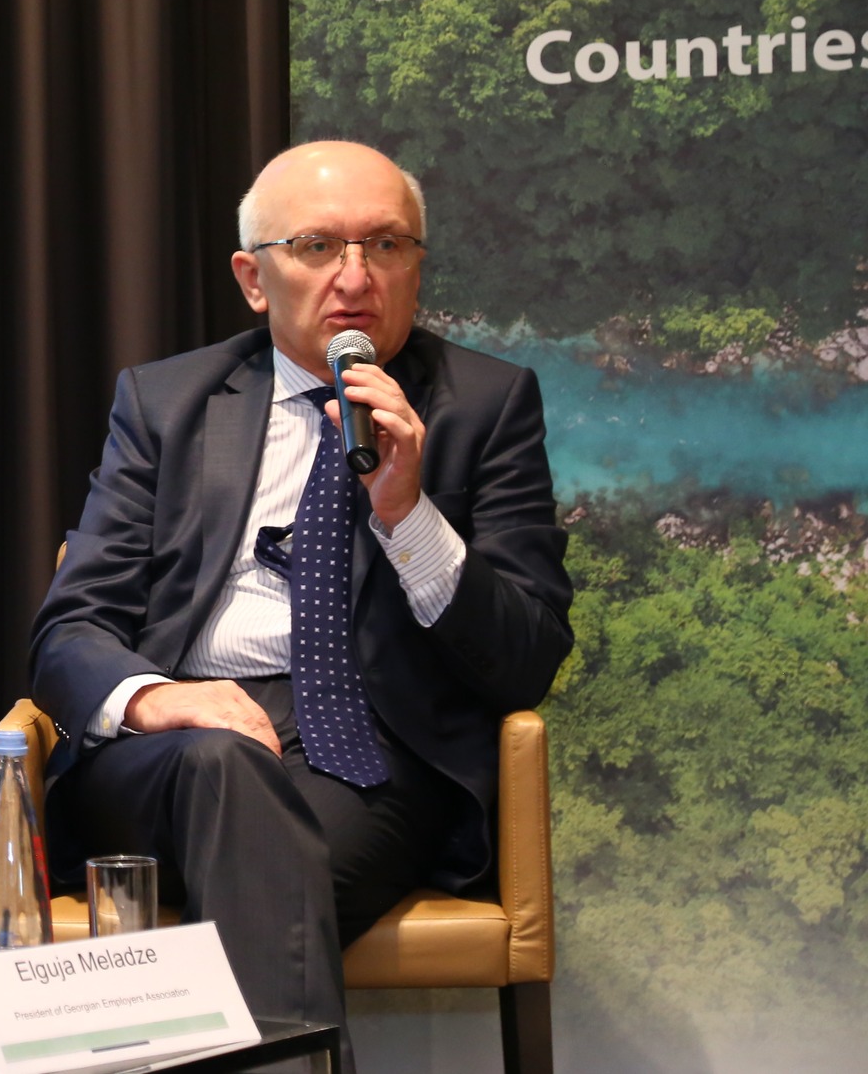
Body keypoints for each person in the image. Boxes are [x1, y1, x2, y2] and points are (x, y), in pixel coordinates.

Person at [29, 141, 573, 1066]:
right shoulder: (166, 402)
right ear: (254, 278)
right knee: (222, 767)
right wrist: (161, 700)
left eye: (386, 246)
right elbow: (70, 628)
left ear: (417, 268)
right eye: (317, 247)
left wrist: (408, 514)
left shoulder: (487, 404)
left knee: (264, 866)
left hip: (368, 757)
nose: (355, 277)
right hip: (171, 752)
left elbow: (526, 656)